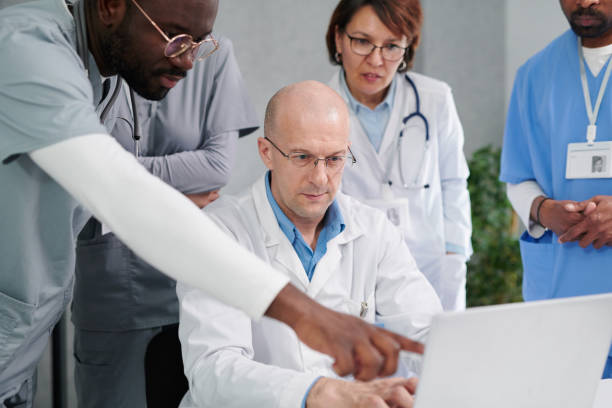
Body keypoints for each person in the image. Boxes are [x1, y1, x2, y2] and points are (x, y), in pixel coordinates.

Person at [0, 0, 425, 405]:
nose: (187, 61)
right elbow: (122, 194)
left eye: (199, 44)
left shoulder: (102, 71)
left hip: (21, 345)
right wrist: (304, 314)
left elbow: (426, 330)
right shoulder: (27, 49)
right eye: (173, 37)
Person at [177, 81, 442, 408]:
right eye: (302, 157)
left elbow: (427, 334)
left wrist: (466, 369)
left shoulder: (373, 230)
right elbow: (212, 372)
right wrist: (315, 392)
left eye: (334, 159)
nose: (320, 178)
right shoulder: (218, 232)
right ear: (266, 152)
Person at [71, 34, 257, 407]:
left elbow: (217, 166)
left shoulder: (213, 53)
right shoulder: (101, 46)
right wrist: (178, 191)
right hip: (113, 288)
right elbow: (76, 173)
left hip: (191, 278)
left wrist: (116, 172)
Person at [325, 0, 472, 311]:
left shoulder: (435, 99)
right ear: (339, 38)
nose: (377, 60)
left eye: (392, 46)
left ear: (408, 47)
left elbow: (454, 182)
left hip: (428, 266)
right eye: (362, 42)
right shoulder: (319, 109)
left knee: (432, 355)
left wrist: (454, 256)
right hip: (351, 271)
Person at [500, 0, 612, 378]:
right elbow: (517, 177)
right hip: (563, 292)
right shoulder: (535, 75)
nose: (585, 2)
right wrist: (542, 209)